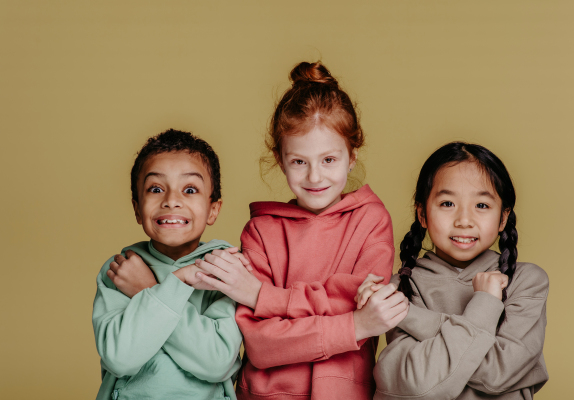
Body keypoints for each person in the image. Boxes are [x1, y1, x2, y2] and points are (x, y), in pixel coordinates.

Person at [193, 62, 409, 400]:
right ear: (280, 160)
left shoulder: (372, 220)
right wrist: (353, 324)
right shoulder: (261, 231)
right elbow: (262, 345)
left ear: (351, 157)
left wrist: (261, 296)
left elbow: (370, 315)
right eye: (299, 162)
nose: (314, 177)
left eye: (328, 160)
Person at [356, 142, 549, 400]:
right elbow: (415, 383)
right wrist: (486, 307)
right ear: (422, 213)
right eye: (447, 203)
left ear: (503, 218)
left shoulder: (525, 281)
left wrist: (409, 315)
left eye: (482, 205)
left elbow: (498, 374)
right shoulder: (402, 286)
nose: (464, 220)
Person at [92, 129, 244, 400]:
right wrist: (179, 283)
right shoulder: (120, 269)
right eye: (156, 189)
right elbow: (119, 358)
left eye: (189, 189)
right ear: (137, 208)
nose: (171, 200)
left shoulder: (224, 269)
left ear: (213, 209)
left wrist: (146, 290)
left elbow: (216, 361)